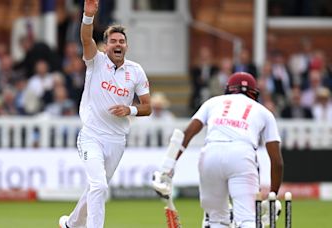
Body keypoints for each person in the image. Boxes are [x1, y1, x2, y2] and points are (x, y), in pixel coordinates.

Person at [58, 0, 152, 228]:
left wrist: (128, 109)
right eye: (113, 41)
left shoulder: (135, 71)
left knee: (95, 188)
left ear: (126, 46)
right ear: (106, 45)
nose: (117, 44)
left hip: (117, 140)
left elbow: (147, 107)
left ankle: (71, 224)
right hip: (91, 135)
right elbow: (85, 39)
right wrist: (88, 16)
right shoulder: (96, 61)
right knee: (99, 186)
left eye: (121, 41)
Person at [152, 72, 283, 228]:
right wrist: (273, 196)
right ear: (254, 93)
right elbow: (277, 161)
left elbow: (186, 135)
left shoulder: (213, 102)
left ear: (228, 89)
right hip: (242, 155)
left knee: (216, 220)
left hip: (210, 153)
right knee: (247, 219)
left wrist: (167, 167)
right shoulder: (264, 112)